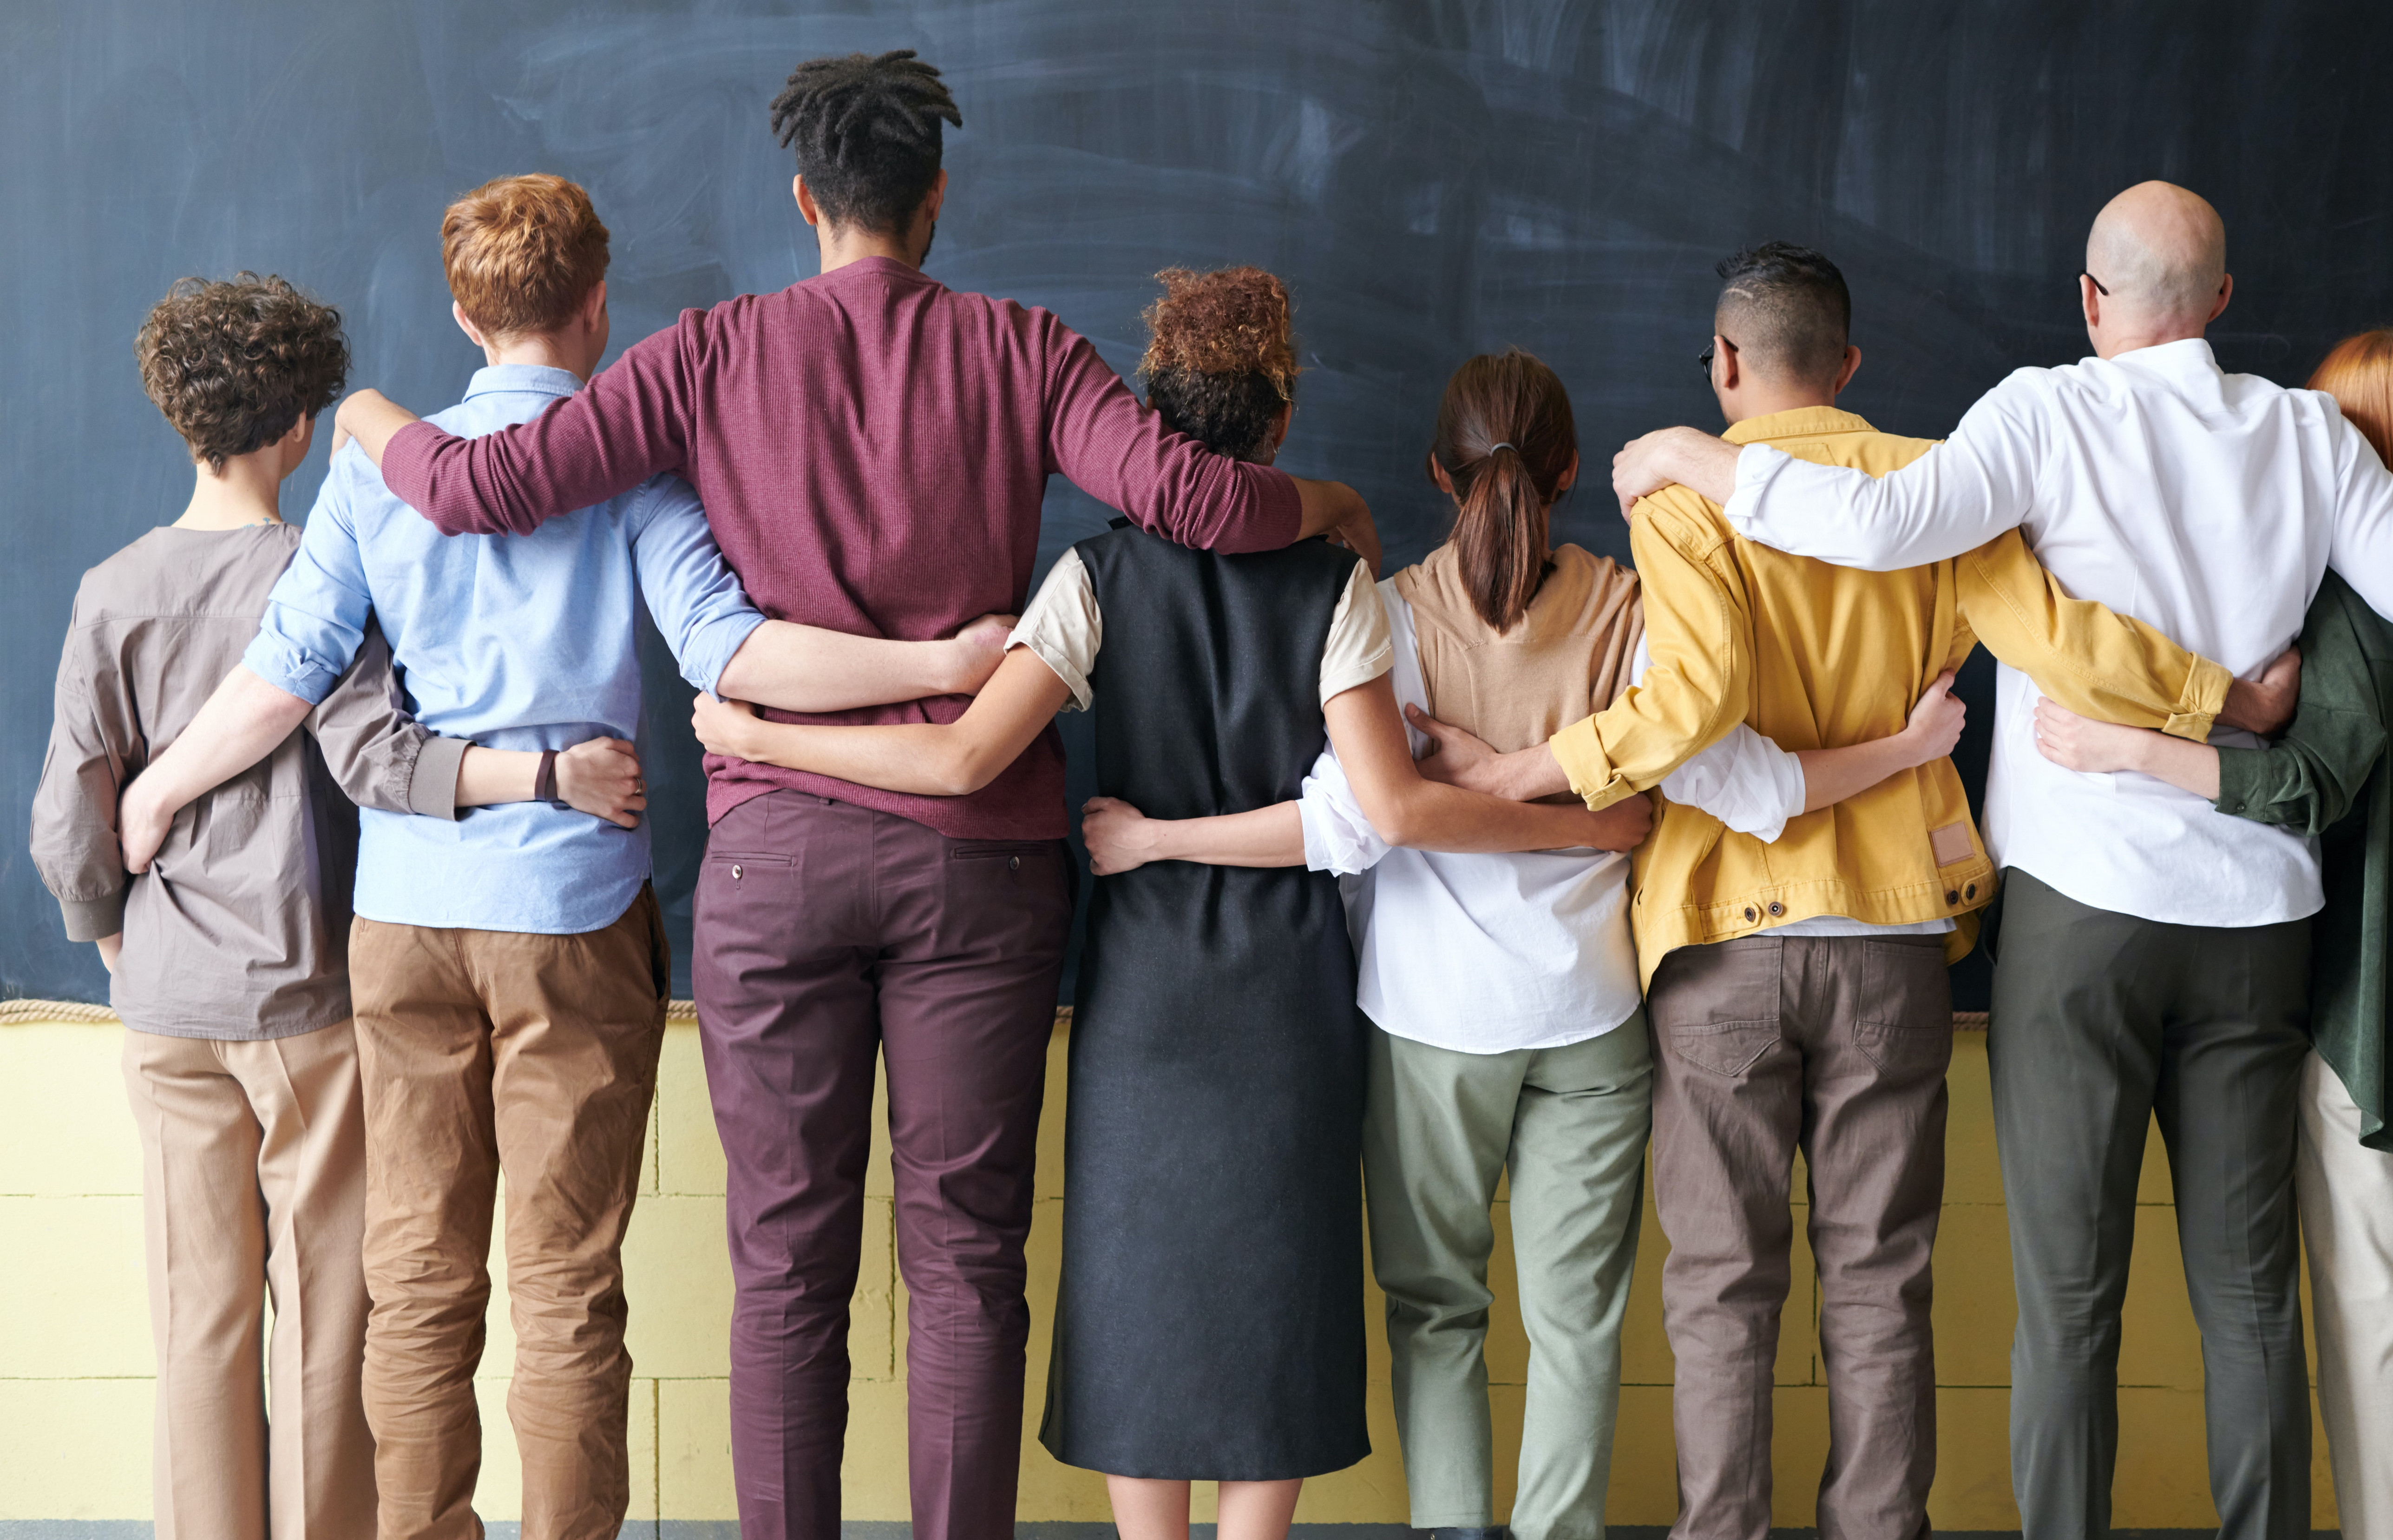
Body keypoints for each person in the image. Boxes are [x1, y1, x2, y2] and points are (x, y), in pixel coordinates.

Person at [327, 56, 1380, 1540]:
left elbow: (486, 490)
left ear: (806, 201)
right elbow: (1196, 502)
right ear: (933, 201)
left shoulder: (709, 353)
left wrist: (371, 413)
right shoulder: (1023, 350)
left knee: (784, 1265)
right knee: (965, 1262)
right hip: (980, 870)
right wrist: (1327, 507)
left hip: (774, 861)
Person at [1606, 187, 2393, 1540]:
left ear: (2088, 299)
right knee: (2248, 1297)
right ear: (2223, 304)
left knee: (2068, 1295)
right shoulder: (2307, 435)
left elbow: (1885, 526)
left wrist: (1699, 458)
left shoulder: (2041, 411)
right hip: (2256, 917)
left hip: (2076, 920)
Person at [689, 268, 1648, 1540]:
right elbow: (1377, 809)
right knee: (1279, 1294)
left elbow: (961, 758)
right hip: (1289, 993)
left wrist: (759, 735)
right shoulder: (1339, 588)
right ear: (1280, 422)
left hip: (1143, 992)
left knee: (1132, 1289)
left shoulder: (1091, 579)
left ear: (1143, 419)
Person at [115, 178, 997, 1540]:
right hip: (571, 912)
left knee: (415, 1280)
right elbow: (727, 648)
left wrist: (156, 790)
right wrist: (942, 664)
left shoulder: (370, 474)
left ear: (466, 315)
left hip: (404, 915)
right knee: (568, 1281)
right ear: (599, 305)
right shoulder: (635, 469)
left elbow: (282, 676)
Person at [1404, 242, 2285, 1540]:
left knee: (1719, 1287)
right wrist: (2217, 699)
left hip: (1719, 937)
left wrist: (1534, 769)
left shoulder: (1681, 505)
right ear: (1849, 367)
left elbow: (1689, 705)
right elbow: (2057, 637)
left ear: (1722, 363)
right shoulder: (1936, 486)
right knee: (1880, 1280)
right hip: (1889, 927)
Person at [28, 274, 626, 1540]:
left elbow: (68, 815)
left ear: (176, 415)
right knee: (328, 1311)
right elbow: (375, 757)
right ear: (303, 423)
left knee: (198, 1315)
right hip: (303, 1002)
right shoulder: (322, 567)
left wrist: (118, 933)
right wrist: (537, 776)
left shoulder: (110, 588)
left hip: (166, 1003)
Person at [2032, 326, 2393, 1540]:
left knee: (2372, 1339)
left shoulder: (2351, 616)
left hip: (2376, 1044)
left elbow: (2305, 784)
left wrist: (2129, 746)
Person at [1083, 345, 1656, 1540]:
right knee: (1578, 1320)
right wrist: (1586, 819)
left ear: (1436, 476)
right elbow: (1655, 796)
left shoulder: (1384, 612)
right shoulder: (1628, 604)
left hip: (1431, 1015)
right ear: (1567, 472)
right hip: (1597, 1006)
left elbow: (1353, 820)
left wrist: (1473, 778)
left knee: (1437, 1311)